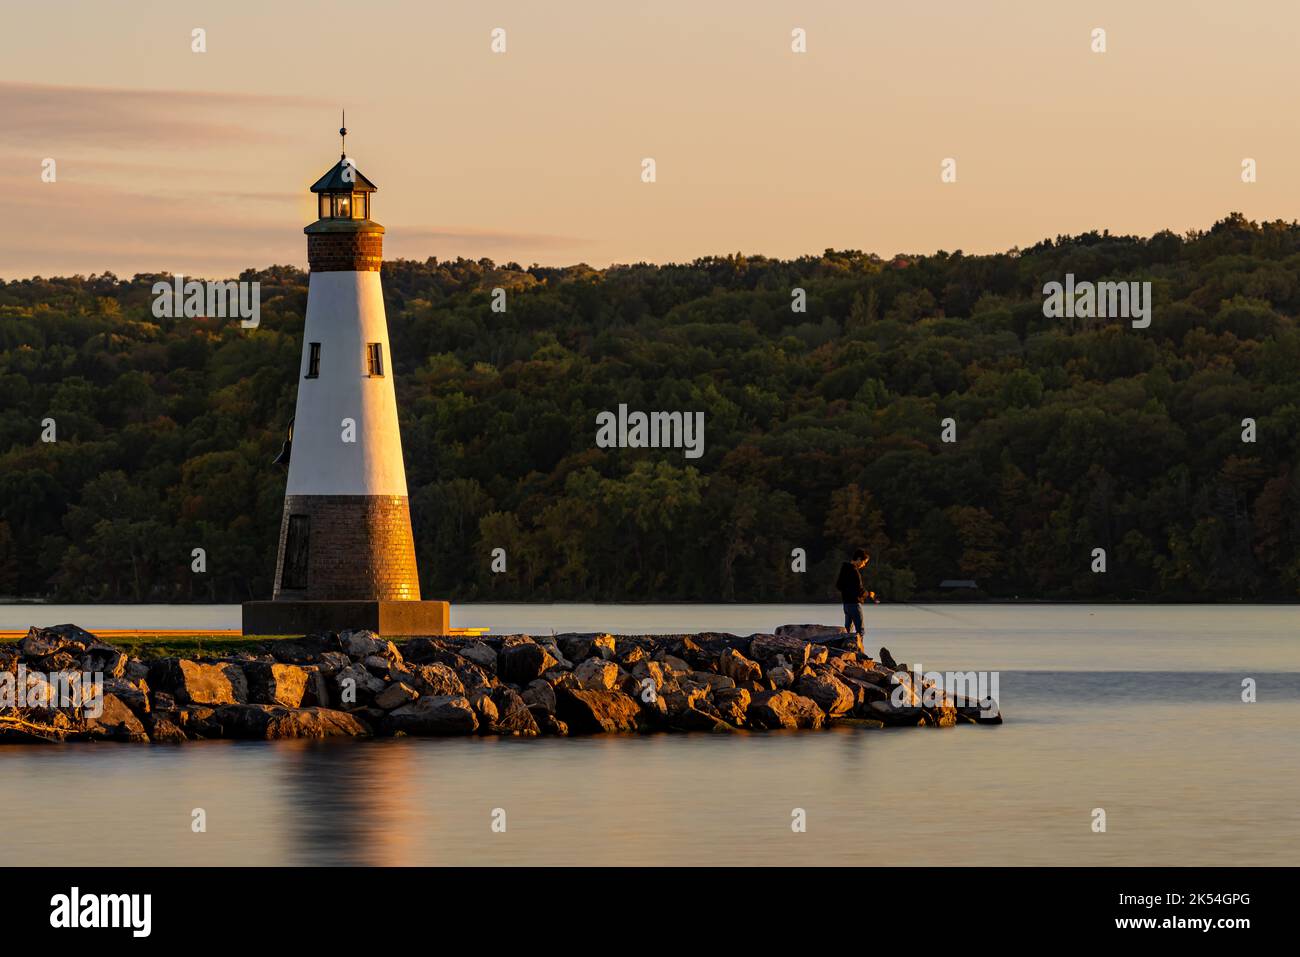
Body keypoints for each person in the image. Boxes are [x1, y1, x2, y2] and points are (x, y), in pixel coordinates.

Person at [835, 548, 876, 634]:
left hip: (846, 605)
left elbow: (839, 586)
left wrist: (848, 591)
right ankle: (859, 647)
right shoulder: (854, 572)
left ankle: (847, 647)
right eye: (864, 562)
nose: (863, 565)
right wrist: (869, 594)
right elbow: (859, 590)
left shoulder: (844, 569)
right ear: (858, 559)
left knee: (847, 631)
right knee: (860, 631)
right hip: (854, 605)